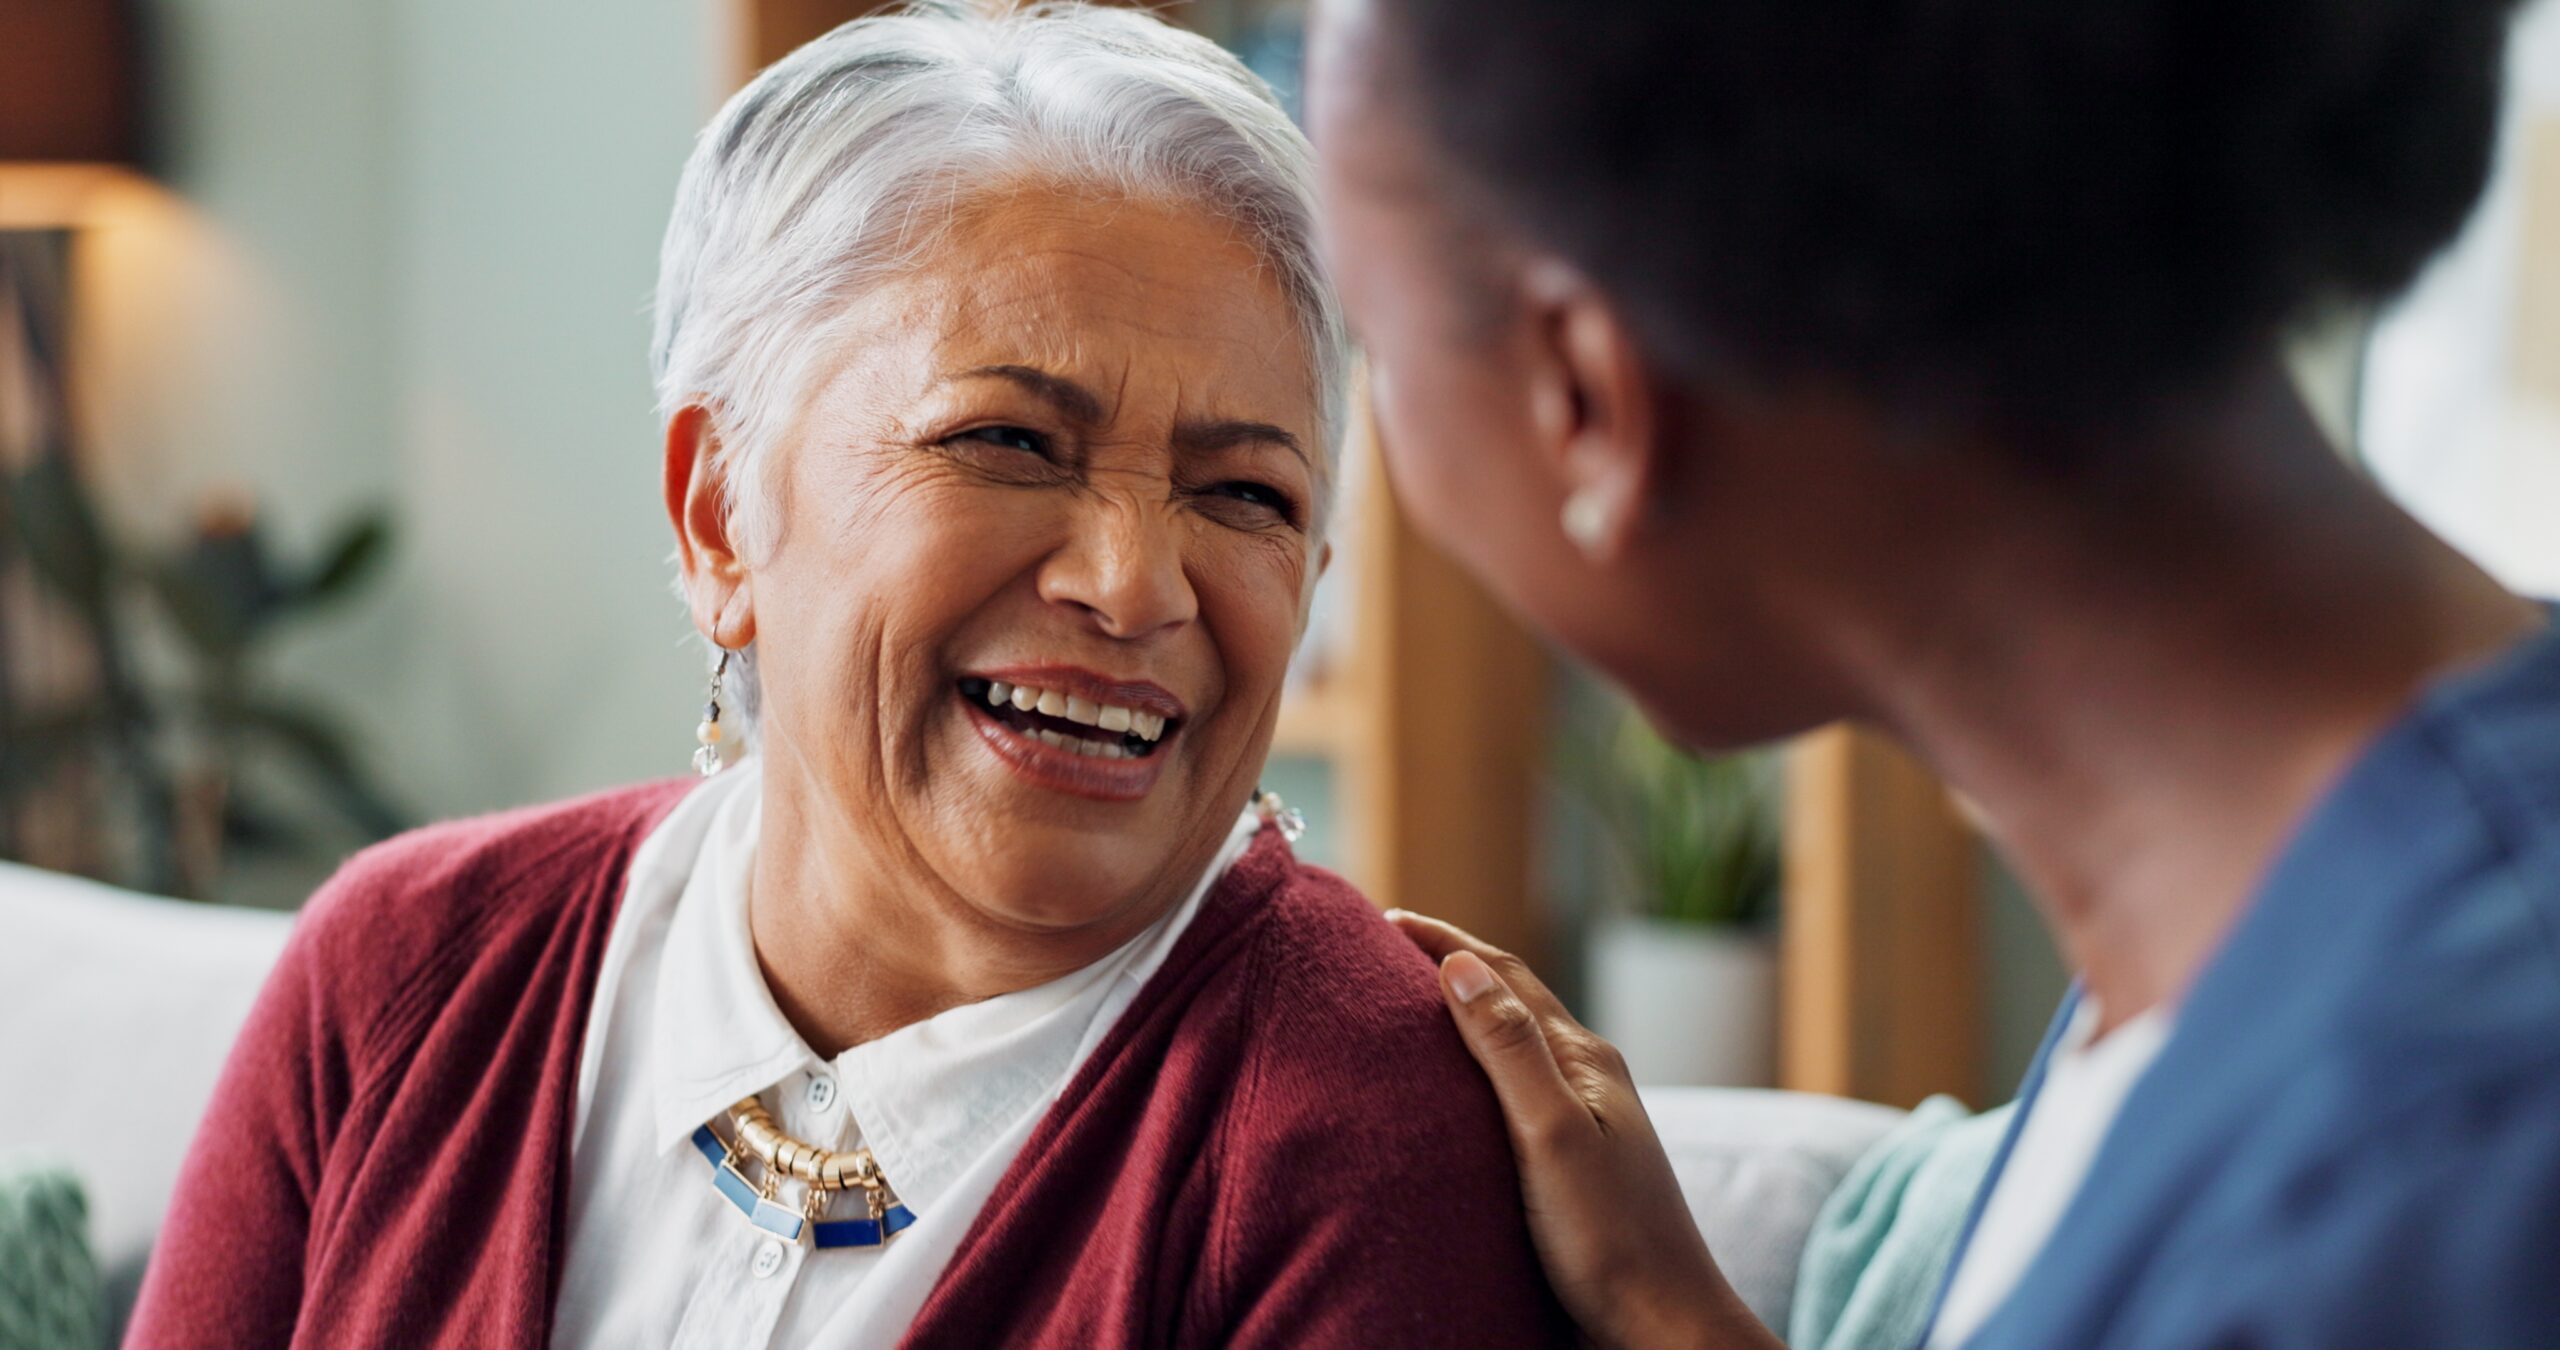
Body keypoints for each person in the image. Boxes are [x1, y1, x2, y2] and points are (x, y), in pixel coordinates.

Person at [125, 6, 1568, 1347]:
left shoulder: (1354, 1127)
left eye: (1246, 493)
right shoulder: (402, 974)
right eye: (1008, 442)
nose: (1135, 582)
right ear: (718, 516)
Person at [1305, 0, 2560, 1346]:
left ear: (1587, 399)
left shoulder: (2417, 1168)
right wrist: (1670, 1311)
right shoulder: (2258, 915)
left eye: (1372, 339)